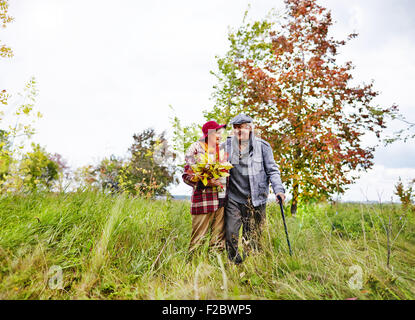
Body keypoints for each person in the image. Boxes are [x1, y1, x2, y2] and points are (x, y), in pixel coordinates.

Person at [223, 114, 286, 264]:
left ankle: (251, 265)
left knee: (252, 236)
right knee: (231, 233)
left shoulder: (263, 147)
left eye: (242, 128)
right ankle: (234, 264)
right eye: (236, 128)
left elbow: (272, 170)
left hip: (256, 198)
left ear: (250, 128)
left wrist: (279, 190)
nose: (238, 131)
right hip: (234, 198)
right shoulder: (226, 146)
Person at [182, 120, 228, 253]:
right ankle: (193, 266)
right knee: (198, 239)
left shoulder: (221, 150)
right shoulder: (195, 148)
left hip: (220, 200)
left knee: (218, 239)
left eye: (220, 133)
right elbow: (186, 176)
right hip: (203, 200)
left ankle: (215, 267)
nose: (219, 136)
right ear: (208, 134)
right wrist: (205, 182)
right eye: (217, 133)